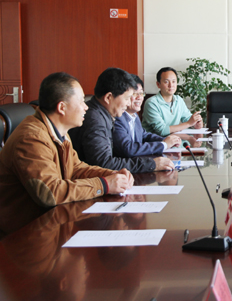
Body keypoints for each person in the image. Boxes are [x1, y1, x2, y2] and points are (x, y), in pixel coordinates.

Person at [0, 72, 134, 236]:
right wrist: (104, 185)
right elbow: (50, 193)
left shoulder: (59, 131)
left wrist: (111, 174)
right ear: (62, 107)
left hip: (53, 224)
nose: (86, 107)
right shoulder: (31, 139)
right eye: (81, 101)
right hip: (25, 234)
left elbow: (76, 168)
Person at [70, 68, 174, 173]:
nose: (128, 103)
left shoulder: (102, 114)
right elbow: (104, 163)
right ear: (108, 97)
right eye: (127, 98)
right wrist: (151, 164)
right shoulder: (95, 119)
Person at [113, 75, 181, 157]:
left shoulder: (134, 115)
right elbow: (128, 149)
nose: (139, 97)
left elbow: (144, 135)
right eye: (134, 94)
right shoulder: (118, 118)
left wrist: (168, 140)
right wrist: (164, 145)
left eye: (141, 93)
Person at [142, 67, 203, 136]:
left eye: (173, 81)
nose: (171, 85)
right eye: (166, 82)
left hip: (174, 140)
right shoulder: (151, 103)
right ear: (158, 84)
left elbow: (188, 119)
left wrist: (197, 123)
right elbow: (162, 130)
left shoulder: (178, 100)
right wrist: (189, 123)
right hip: (156, 141)